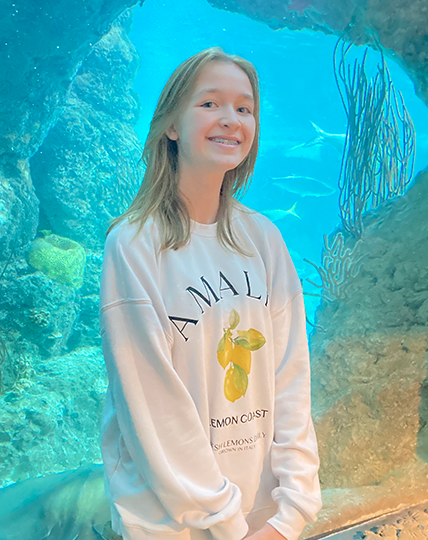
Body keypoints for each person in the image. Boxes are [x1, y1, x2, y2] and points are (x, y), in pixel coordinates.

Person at [98, 46, 322, 540]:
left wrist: (292, 511)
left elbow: (291, 378)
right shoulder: (135, 246)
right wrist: (223, 522)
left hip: (264, 519)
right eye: (210, 104)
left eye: (245, 108)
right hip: (173, 524)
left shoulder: (263, 238)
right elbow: (151, 408)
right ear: (171, 125)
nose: (231, 119)